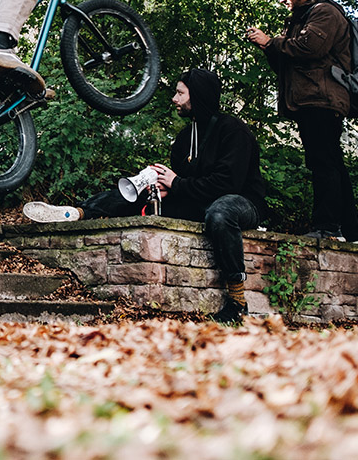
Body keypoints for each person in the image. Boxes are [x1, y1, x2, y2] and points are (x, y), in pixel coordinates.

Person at [23, 69, 267, 323]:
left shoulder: (233, 130)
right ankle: (77, 212)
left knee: (220, 212)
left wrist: (177, 183)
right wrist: (164, 185)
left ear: (199, 96)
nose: (174, 98)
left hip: (242, 201)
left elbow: (228, 183)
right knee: (141, 196)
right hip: (200, 200)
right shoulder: (185, 137)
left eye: (180, 93)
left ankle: (237, 301)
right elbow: (184, 182)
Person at [247, 0, 358, 242]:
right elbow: (286, 63)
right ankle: (348, 231)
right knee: (329, 161)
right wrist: (268, 47)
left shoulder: (325, 12)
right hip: (309, 100)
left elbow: (310, 49)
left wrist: (271, 41)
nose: (282, 0)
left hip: (322, 99)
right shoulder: (299, 20)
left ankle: (328, 227)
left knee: (324, 162)